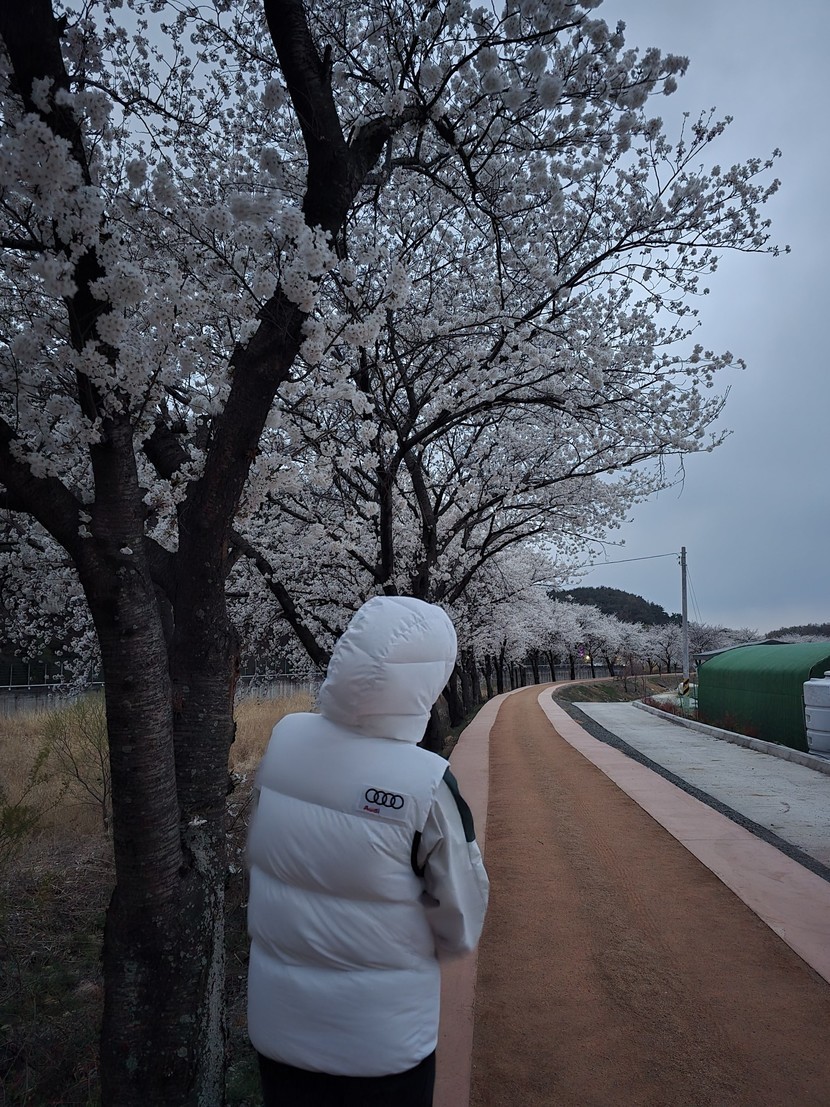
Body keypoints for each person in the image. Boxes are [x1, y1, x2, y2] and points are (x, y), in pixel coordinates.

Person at [246, 595, 489, 1106]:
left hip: (278, 1030)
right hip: (380, 1043)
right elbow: (461, 922)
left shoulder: (285, 738)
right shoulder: (426, 783)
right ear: (430, 679)